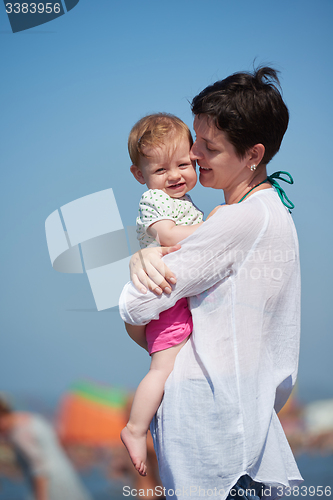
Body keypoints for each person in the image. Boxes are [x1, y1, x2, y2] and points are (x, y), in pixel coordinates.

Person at [119, 67, 302, 499]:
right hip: (241, 435)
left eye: (209, 146)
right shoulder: (271, 211)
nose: (195, 154)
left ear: (253, 154)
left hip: (217, 447)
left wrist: (143, 258)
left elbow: (134, 307)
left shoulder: (239, 220)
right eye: (196, 140)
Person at [121, 113, 219, 476]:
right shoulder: (153, 201)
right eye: (161, 170)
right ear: (140, 175)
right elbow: (169, 236)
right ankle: (135, 429)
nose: (175, 175)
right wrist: (216, 226)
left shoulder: (186, 200)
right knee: (161, 370)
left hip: (176, 299)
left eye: (184, 164)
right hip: (165, 303)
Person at [0, 394, 92, 500]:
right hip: (64, 474)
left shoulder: (19, 434)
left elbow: (40, 469)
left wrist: (41, 497)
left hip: (50, 484)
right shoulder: (30, 418)